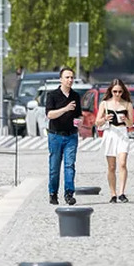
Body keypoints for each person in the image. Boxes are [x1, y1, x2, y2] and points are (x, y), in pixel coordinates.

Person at [44, 67, 83, 205]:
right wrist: (65, 109)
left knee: (69, 165)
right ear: (61, 79)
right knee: (54, 167)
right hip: (55, 135)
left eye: (72, 77)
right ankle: (53, 193)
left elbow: (78, 114)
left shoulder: (76, 96)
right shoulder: (52, 95)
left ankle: (69, 193)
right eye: (67, 77)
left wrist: (80, 121)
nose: (70, 80)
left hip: (71, 136)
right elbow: (49, 115)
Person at [94, 78, 134, 203]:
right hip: (110, 133)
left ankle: (122, 192)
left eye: (120, 92)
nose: (117, 94)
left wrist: (125, 119)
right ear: (111, 91)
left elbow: (131, 124)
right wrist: (105, 118)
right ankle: (113, 193)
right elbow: (97, 122)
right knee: (111, 166)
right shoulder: (104, 104)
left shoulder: (127, 104)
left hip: (122, 133)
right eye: (115, 91)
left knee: (122, 163)